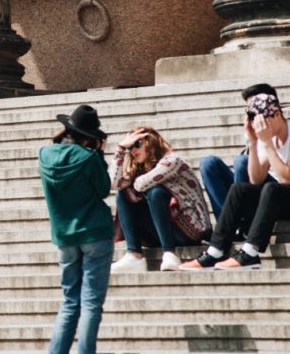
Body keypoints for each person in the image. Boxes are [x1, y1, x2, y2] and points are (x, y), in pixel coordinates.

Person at [180, 93, 290, 270]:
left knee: (272, 188)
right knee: (239, 189)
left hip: (283, 194)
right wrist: (254, 143)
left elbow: (286, 178)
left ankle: (250, 253)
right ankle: (215, 251)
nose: (261, 126)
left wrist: (268, 143)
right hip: (278, 199)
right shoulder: (266, 136)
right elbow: (256, 179)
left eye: (264, 120)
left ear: (277, 114)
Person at [39, 105, 113, 354]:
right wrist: (100, 155)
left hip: (64, 237)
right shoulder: (89, 158)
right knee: (91, 303)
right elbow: (103, 189)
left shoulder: (45, 155)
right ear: (90, 136)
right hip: (94, 232)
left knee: (70, 302)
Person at [110, 127, 212, 273]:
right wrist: (121, 149)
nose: (133, 151)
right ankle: (134, 255)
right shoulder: (140, 168)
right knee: (123, 194)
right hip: (163, 230)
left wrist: (131, 177)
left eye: (137, 144)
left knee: (155, 192)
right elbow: (115, 184)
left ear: (150, 142)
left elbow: (140, 184)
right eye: (130, 147)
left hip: (190, 231)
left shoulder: (172, 161)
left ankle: (169, 253)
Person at [199, 83, 279, 222]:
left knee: (242, 161)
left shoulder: (282, 129)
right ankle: (228, 223)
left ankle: (242, 224)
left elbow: (260, 174)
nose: (251, 113)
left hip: (273, 188)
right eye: (248, 109)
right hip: (250, 184)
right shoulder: (251, 131)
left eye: (256, 107)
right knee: (208, 163)